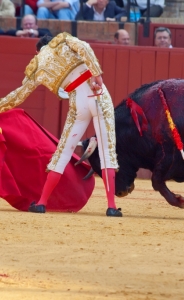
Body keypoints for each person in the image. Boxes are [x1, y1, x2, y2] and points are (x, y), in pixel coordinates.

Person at [0, 32, 122, 217]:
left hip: (77, 101)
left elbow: (19, 95)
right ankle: (111, 207)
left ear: (37, 50)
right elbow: (85, 47)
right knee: (107, 149)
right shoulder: (63, 40)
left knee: (62, 153)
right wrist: (96, 73)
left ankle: (42, 203)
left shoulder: (38, 63)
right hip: (97, 93)